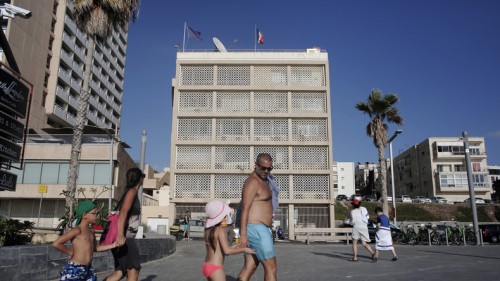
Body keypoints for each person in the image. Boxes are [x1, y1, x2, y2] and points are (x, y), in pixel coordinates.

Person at [238, 153, 279, 281]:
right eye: (263, 168)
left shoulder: (264, 181)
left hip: (258, 229)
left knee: (250, 266)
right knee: (271, 267)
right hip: (256, 229)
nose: (266, 171)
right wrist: (243, 235)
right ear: (255, 165)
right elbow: (245, 208)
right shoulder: (252, 182)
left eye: (269, 168)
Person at [53, 200, 118, 281]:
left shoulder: (91, 231)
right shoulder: (77, 230)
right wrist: (71, 252)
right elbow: (57, 243)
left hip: (88, 269)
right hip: (76, 268)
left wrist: (113, 245)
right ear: (84, 215)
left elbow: (96, 248)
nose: (97, 216)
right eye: (95, 213)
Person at [105, 168, 145, 281]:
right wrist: (120, 234)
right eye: (143, 177)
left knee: (120, 271)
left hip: (124, 236)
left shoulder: (130, 192)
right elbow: (123, 212)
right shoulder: (131, 192)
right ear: (140, 179)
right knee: (134, 270)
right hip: (125, 237)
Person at [202, 200, 255, 280]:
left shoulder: (207, 230)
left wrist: (236, 247)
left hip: (207, 265)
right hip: (216, 268)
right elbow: (227, 251)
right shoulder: (220, 230)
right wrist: (244, 250)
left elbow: (219, 248)